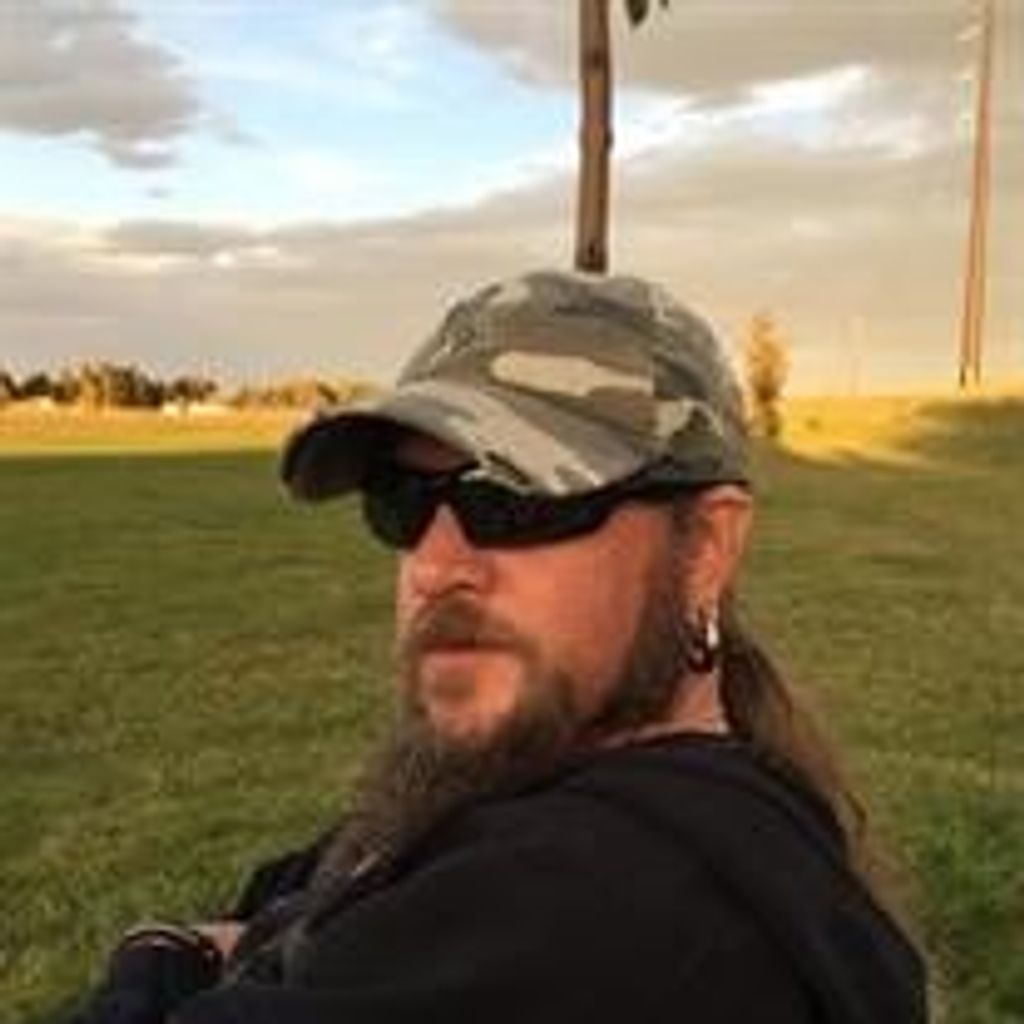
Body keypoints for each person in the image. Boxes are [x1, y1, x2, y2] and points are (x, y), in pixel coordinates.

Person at [72, 269, 926, 1023]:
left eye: (517, 500)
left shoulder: (589, 919)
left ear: (705, 547)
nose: (434, 566)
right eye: (403, 502)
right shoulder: (633, 787)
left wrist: (160, 957)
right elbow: (327, 869)